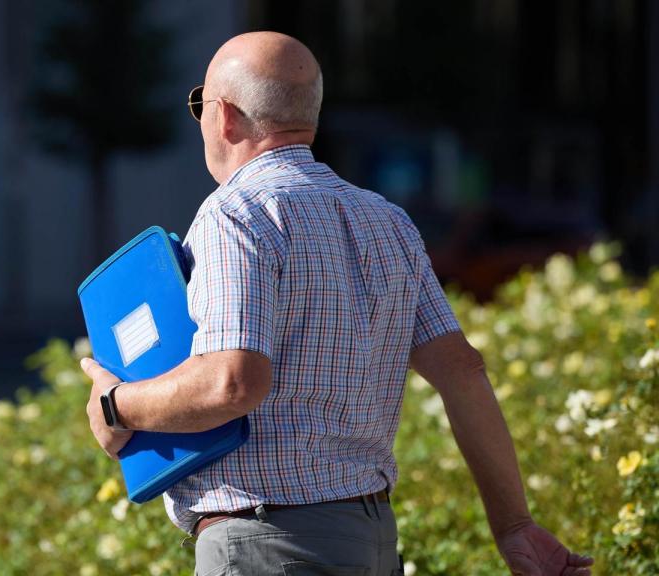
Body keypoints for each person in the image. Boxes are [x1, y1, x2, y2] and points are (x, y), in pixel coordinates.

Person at [79, 31, 594, 576]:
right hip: (372, 539)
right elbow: (462, 371)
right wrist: (514, 525)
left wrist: (116, 405)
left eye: (198, 105)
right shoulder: (388, 221)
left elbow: (233, 382)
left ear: (224, 115)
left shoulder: (234, 214)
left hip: (267, 543)